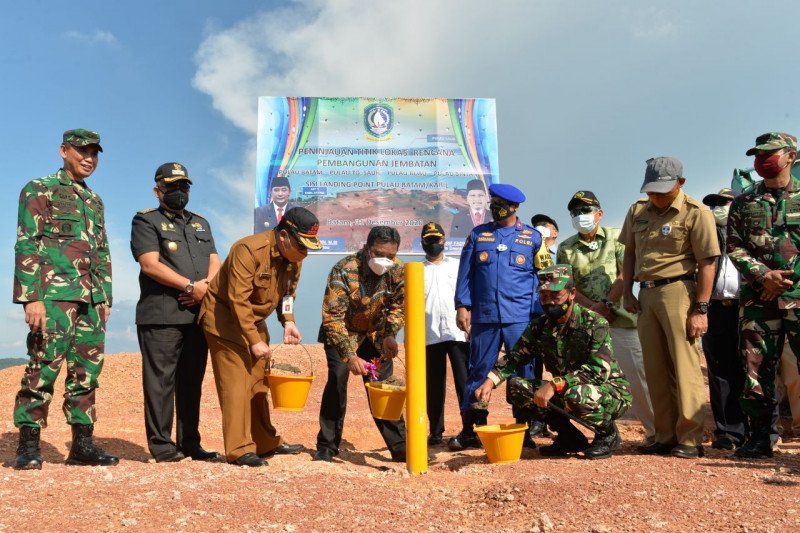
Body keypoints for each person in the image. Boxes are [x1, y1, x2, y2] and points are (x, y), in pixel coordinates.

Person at [13, 129, 118, 469]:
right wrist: (31, 298)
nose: (89, 158)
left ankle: (82, 445)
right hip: (53, 296)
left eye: (94, 153)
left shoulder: (94, 201)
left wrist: (105, 297)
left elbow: (101, 250)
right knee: (43, 365)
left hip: (90, 300)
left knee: (87, 371)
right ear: (63, 151)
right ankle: (28, 445)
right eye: (82, 151)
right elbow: (26, 242)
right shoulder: (39, 189)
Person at [200, 206, 320, 466]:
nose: (305, 253)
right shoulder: (248, 250)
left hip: (253, 320)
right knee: (236, 384)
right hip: (224, 320)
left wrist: (288, 321)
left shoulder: (294, 258)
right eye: (301, 245)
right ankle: (239, 449)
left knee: (258, 383)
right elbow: (237, 299)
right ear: (285, 236)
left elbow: (287, 294)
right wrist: (255, 341)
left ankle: (265, 443)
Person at [475, 265, 632, 459]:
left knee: (575, 394)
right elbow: (514, 357)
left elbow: (597, 370)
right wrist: (490, 380)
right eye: (544, 296)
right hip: (566, 389)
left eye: (555, 296)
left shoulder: (594, 323)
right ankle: (569, 437)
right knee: (518, 387)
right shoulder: (540, 327)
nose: (549, 302)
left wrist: (555, 384)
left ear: (572, 293)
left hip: (609, 392)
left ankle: (607, 434)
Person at [620, 157, 719, 459]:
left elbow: (707, 263)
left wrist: (700, 308)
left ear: (681, 183)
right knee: (655, 367)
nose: (657, 196)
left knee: (685, 366)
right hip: (646, 294)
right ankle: (664, 435)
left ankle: (690, 438)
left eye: (663, 190)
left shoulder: (696, 213)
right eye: (652, 190)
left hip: (679, 292)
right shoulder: (638, 211)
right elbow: (629, 254)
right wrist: (627, 291)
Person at [131, 162, 221, 463]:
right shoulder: (146, 221)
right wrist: (190, 286)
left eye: (184, 186)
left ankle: (190, 443)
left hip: (197, 315)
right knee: (160, 382)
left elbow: (214, 259)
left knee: (191, 381)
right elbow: (150, 264)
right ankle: (161, 445)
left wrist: (206, 288)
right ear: (158, 190)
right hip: (162, 315)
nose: (179, 192)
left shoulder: (201, 223)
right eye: (172, 186)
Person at [452, 184, 552, 451]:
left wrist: (542, 315)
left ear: (515, 207)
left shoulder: (532, 238)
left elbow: (545, 278)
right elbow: (466, 274)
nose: (495, 207)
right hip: (485, 316)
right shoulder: (478, 235)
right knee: (479, 371)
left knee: (524, 373)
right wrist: (463, 306)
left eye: (501, 203)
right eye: (493, 201)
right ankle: (473, 428)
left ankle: (523, 429)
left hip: (521, 317)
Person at [557, 191, 655, 444]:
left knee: (637, 378)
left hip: (621, 320)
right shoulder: (566, 249)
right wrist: (592, 308)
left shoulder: (616, 239)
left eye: (585, 211)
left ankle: (656, 433)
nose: (581, 216)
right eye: (575, 212)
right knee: (593, 381)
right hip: (585, 326)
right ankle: (607, 434)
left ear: (599, 214)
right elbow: (566, 285)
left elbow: (626, 274)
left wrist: (608, 304)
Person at [727, 132, 800, 458]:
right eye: (757, 155)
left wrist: (789, 277)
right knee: (755, 369)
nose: (761, 161)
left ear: (791, 156)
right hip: (759, 299)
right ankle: (761, 437)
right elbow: (734, 247)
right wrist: (763, 276)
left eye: (769, 154)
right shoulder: (743, 202)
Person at [315, 226, 407, 462]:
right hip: (343, 334)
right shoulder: (344, 269)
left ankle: (400, 447)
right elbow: (333, 318)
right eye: (379, 253)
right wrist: (349, 356)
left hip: (376, 336)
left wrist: (390, 334)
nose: (385, 260)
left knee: (384, 387)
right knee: (337, 381)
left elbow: (399, 306)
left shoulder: (398, 270)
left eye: (390, 255)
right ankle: (327, 446)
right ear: (367, 249)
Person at [699, 187, 748, 450]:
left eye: (724, 203)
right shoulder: (706, 239)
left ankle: (763, 432)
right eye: (714, 204)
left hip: (746, 308)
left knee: (753, 368)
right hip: (716, 309)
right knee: (719, 372)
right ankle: (728, 432)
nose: (718, 208)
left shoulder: (750, 235)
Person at [420, 222, 469, 445]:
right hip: (428, 335)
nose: (433, 244)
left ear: (444, 241)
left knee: (465, 381)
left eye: (436, 240)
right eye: (428, 240)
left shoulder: (458, 266)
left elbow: (468, 297)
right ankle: (436, 431)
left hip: (458, 333)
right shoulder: (415, 271)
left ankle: (470, 427)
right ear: (422, 243)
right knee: (433, 385)